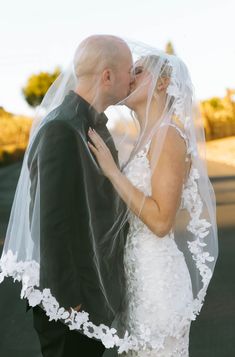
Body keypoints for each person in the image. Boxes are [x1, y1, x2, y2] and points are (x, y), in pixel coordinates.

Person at [0, 35, 133, 357]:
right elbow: (51, 223)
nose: (133, 78)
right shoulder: (62, 129)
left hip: (90, 296)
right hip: (69, 306)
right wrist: (69, 303)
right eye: (129, 70)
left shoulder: (87, 125)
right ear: (107, 76)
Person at [88, 49, 218, 356]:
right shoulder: (143, 139)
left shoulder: (168, 135)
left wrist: (111, 172)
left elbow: (161, 222)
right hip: (139, 277)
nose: (129, 78)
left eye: (139, 71)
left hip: (159, 283)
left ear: (163, 83)